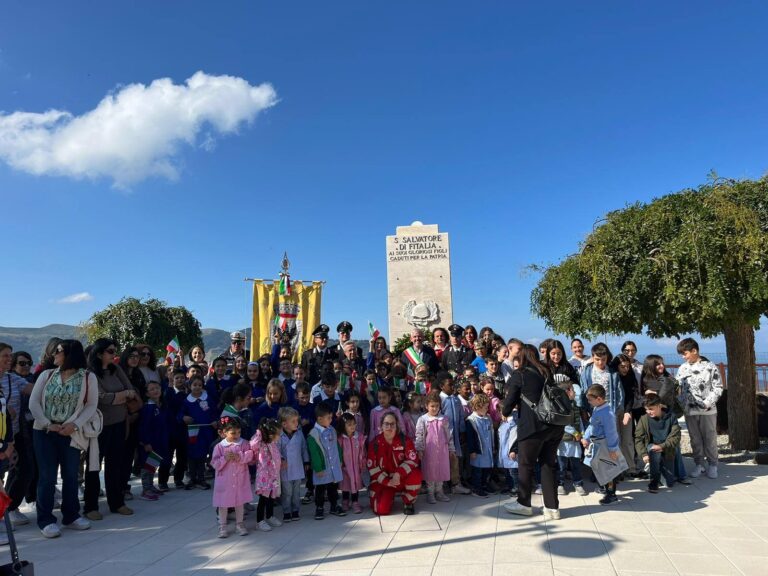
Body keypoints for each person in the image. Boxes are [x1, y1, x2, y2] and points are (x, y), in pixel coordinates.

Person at [27, 340, 96, 538]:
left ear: (69, 354)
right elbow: (34, 402)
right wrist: (48, 423)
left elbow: (91, 405)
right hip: (45, 432)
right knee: (47, 476)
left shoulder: (88, 377)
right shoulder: (46, 375)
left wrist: (74, 425)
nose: (54, 354)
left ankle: (71, 515)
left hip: (71, 433)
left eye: (58, 351)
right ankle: (46, 520)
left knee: (71, 475)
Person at [502, 344, 564, 519]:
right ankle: (552, 508)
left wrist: (505, 412)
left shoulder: (519, 374)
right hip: (553, 426)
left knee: (526, 465)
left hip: (532, 427)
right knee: (548, 465)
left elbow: (508, 403)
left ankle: (524, 503)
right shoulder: (546, 372)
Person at [83, 338, 137, 520]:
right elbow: (100, 398)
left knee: (116, 464)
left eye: (115, 351)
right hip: (98, 427)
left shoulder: (116, 369)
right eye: (111, 351)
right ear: (99, 354)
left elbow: (131, 391)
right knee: (93, 466)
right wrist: (121, 396)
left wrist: (116, 397)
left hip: (120, 423)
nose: (115, 355)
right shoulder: (90, 373)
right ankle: (90, 506)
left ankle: (117, 502)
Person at [676, 337, 723, 479]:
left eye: (685, 354)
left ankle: (713, 465)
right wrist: (682, 403)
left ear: (694, 351)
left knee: (710, 438)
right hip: (690, 411)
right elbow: (678, 388)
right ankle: (699, 464)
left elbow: (718, 387)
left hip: (708, 411)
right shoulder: (683, 368)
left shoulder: (710, 367)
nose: (683, 357)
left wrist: (707, 402)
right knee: (695, 439)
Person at [367, 412, 422, 516]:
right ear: (381, 426)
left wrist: (398, 474)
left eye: (392, 424)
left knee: (416, 474)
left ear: (397, 425)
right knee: (381, 510)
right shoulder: (375, 443)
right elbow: (372, 468)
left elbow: (413, 460)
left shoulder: (405, 440)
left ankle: (408, 502)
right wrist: (387, 482)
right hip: (383, 482)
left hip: (400, 479)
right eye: (386, 424)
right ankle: (389, 497)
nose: (389, 427)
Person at [6, 351, 35, 526]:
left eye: (28, 363)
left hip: (18, 434)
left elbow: (35, 390)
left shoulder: (13, 380)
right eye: (5, 355)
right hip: (4, 437)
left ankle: (8, 508)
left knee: (24, 470)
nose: (8, 359)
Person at [212, 416, 254, 537]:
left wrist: (239, 457)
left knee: (239, 502)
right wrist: (225, 458)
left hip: (240, 479)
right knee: (223, 504)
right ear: (224, 432)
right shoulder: (219, 447)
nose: (237, 435)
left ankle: (240, 524)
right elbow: (215, 463)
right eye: (233, 433)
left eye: (239, 432)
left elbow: (250, 455)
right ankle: (222, 526)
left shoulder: (244, 443)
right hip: (225, 481)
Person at [582, 384, 622, 505]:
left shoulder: (607, 413)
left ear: (599, 399)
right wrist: (586, 437)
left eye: (590, 400)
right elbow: (592, 425)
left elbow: (612, 433)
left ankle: (611, 494)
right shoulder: (597, 409)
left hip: (606, 444)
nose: (589, 402)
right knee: (600, 468)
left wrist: (613, 449)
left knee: (609, 470)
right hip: (597, 444)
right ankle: (603, 487)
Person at [634, 395, 681, 493]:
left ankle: (659, 470)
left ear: (659, 406)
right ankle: (653, 482)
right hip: (652, 447)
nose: (648, 412)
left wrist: (662, 446)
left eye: (651, 409)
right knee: (654, 450)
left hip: (666, 448)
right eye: (646, 409)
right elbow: (638, 438)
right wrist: (643, 454)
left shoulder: (671, 417)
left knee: (669, 483)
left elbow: (676, 436)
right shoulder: (644, 419)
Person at [307, 402, 345, 520]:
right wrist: (318, 468)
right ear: (320, 419)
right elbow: (314, 453)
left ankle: (334, 506)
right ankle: (319, 507)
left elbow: (336, 445)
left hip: (333, 466)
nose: (331, 419)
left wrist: (340, 458)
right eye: (329, 418)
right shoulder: (313, 434)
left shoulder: (331, 430)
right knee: (320, 489)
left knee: (333, 488)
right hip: (322, 469)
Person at [415, 391, 453, 504]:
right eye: (432, 406)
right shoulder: (423, 419)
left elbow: (449, 434)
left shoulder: (444, 419)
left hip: (442, 450)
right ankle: (430, 493)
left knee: (441, 470)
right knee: (430, 472)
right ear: (426, 406)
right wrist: (420, 449)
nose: (435, 408)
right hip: (429, 451)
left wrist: (451, 449)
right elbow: (419, 435)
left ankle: (439, 492)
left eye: (437, 406)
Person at [179, 374, 216, 490]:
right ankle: (192, 478)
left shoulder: (207, 398)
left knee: (202, 456)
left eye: (200, 385)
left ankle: (201, 478)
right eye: (195, 385)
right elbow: (179, 414)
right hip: (193, 433)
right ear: (190, 386)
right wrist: (184, 417)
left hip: (205, 432)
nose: (197, 387)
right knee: (191, 456)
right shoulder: (186, 401)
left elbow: (214, 412)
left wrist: (215, 421)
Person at [438, 371, 470, 495]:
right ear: (442, 386)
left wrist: (462, 430)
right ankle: (442, 484)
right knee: (443, 459)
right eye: (450, 385)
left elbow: (461, 416)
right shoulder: (440, 399)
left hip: (455, 435)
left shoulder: (456, 399)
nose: (453, 387)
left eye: (453, 385)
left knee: (454, 459)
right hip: (444, 435)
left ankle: (455, 484)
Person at [137, 381, 169, 501]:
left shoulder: (159, 406)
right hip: (149, 443)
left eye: (157, 388)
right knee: (146, 466)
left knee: (153, 465)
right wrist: (145, 442)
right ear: (147, 393)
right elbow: (143, 427)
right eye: (152, 389)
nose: (156, 391)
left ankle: (151, 486)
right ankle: (146, 489)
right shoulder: (148, 408)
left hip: (158, 442)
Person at [555, 380, 587, 496]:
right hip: (563, 441)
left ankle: (578, 483)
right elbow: (564, 424)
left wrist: (583, 435)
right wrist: (575, 433)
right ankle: (560, 484)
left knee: (576, 464)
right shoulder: (560, 407)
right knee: (561, 465)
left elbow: (580, 422)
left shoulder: (575, 406)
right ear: (567, 392)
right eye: (573, 390)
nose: (575, 393)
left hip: (575, 441)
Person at [250, 418, 283, 532]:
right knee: (263, 499)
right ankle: (259, 521)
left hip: (273, 475)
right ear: (270, 434)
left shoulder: (273, 443)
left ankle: (270, 516)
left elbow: (277, 455)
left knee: (271, 498)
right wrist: (259, 434)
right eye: (278, 434)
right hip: (264, 476)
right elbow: (252, 444)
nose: (280, 436)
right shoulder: (261, 443)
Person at [159, 367, 189, 490]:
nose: (180, 380)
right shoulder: (167, 392)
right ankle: (162, 481)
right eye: (177, 378)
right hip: (169, 430)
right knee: (167, 457)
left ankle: (178, 479)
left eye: (182, 378)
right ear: (172, 379)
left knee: (182, 457)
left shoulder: (188, 394)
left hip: (182, 430)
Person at [278, 406, 309, 522]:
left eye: (297, 420)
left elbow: (303, 447)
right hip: (285, 469)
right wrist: (281, 459)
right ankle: (286, 511)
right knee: (287, 492)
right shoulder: (279, 436)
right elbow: (276, 450)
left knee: (296, 491)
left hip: (297, 467)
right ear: (284, 424)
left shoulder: (299, 434)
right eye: (293, 421)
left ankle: (295, 510)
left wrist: (306, 461)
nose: (297, 423)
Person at [466, 393, 494, 498]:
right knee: (477, 470)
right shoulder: (471, 420)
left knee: (486, 469)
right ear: (478, 407)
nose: (487, 409)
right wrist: (472, 451)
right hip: (478, 451)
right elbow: (470, 437)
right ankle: (476, 488)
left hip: (487, 449)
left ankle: (483, 485)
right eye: (485, 407)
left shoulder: (488, 418)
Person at [337, 412, 366, 513]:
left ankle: (355, 502)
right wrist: (340, 463)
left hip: (356, 466)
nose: (352, 426)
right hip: (345, 467)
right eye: (349, 424)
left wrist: (362, 462)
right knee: (345, 485)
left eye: (354, 424)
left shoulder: (359, 437)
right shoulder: (340, 439)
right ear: (343, 426)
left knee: (355, 484)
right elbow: (338, 452)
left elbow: (362, 450)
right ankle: (345, 501)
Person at [498, 410, 519, 496]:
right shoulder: (503, 423)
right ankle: (509, 486)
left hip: (511, 452)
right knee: (506, 471)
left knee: (513, 472)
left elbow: (515, 437)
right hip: (503, 451)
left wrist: (514, 450)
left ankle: (516, 488)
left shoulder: (514, 423)